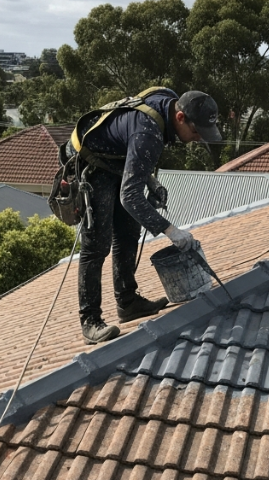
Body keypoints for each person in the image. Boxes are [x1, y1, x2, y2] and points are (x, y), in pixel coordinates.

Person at [70, 88, 222, 344]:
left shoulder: (168, 102)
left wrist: (150, 182)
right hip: (90, 162)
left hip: (114, 159)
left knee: (129, 232)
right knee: (97, 245)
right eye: (196, 133)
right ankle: (90, 320)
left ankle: (128, 302)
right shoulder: (149, 131)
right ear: (181, 117)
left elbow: (131, 149)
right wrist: (172, 232)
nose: (197, 139)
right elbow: (129, 195)